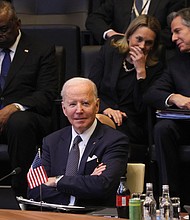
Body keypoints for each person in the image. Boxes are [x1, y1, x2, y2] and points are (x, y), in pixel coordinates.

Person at [27, 77, 128, 207]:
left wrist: (57, 181)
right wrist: (83, 185)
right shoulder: (51, 141)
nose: (79, 110)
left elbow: (102, 186)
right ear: (64, 109)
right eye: (72, 104)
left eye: (85, 103)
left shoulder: (115, 141)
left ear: (97, 106)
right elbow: (35, 190)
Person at [0, 1, 58, 197]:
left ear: (18, 23)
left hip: (28, 118)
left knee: (19, 122)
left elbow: (47, 94)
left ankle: (22, 193)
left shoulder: (41, 49)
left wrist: (15, 107)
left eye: (4, 29)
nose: (0, 35)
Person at [88, 14, 164, 148]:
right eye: (138, 39)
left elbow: (143, 108)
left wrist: (141, 72)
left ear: (153, 46)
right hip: (102, 113)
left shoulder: (156, 68)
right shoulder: (111, 50)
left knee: (97, 127)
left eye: (148, 42)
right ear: (128, 36)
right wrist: (106, 109)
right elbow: (91, 88)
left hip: (132, 124)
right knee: (93, 122)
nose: (142, 46)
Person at [144, 8, 190, 198]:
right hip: (186, 126)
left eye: (177, 31)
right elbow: (152, 93)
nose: (172, 38)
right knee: (163, 128)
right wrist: (175, 98)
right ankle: (170, 198)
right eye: (172, 32)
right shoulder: (176, 63)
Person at [85, 0, 185, 59]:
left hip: (152, 54)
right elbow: (93, 19)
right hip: (118, 52)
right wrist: (112, 34)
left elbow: (172, 31)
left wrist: (144, 41)